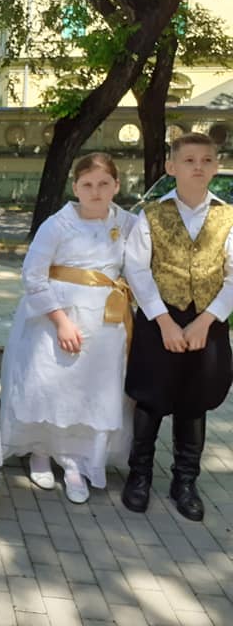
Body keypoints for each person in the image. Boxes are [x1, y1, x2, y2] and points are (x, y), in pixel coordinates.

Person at [0, 153, 136, 504]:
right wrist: (60, 321)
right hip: (58, 317)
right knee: (52, 384)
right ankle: (41, 450)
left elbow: (141, 266)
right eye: (87, 184)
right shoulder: (57, 225)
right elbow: (33, 275)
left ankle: (78, 459)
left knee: (90, 388)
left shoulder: (128, 223)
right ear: (75, 187)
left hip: (105, 322)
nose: (96, 191)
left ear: (116, 186)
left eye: (104, 184)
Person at [122, 132, 233, 522]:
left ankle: (185, 481)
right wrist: (164, 321)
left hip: (207, 320)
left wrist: (206, 320)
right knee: (150, 399)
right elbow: (137, 270)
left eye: (206, 160)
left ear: (216, 166)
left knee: (194, 402)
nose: (198, 167)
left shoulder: (228, 217)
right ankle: (139, 475)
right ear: (171, 167)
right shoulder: (151, 215)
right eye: (189, 160)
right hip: (160, 319)